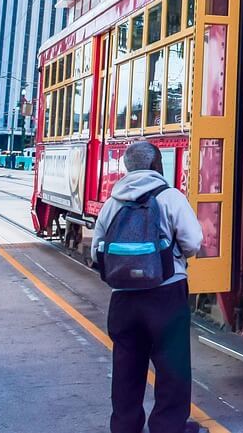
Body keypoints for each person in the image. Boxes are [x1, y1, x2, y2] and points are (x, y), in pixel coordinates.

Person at [92, 141, 204, 433]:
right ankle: (168, 427)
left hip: (123, 299)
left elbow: (97, 252)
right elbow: (193, 242)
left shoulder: (112, 201)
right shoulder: (170, 197)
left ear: (128, 167)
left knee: (127, 366)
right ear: (157, 166)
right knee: (172, 366)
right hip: (166, 292)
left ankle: (125, 426)